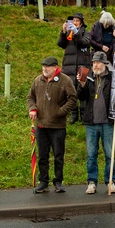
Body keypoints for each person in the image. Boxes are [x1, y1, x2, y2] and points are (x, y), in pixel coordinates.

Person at [28, 56, 78, 194]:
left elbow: (73, 98)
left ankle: (58, 182)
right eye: (43, 66)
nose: (44, 69)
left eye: (48, 66)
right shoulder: (38, 80)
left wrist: (60, 111)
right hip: (41, 126)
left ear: (55, 67)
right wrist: (32, 108)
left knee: (58, 155)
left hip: (58, 127)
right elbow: (30, 97)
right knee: (42, 155)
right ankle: (43, 182)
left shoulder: (65, 80)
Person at [77, 52, 115, 195]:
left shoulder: (112, 77)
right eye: (94, 62)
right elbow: (81, 97)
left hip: (107, 122)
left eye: (98, 62)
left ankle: (110, 181)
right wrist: (82, 85)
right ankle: (91, 182)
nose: (95, 65)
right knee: (91, 154)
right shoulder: (88, 77)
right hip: (91, 122)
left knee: (109, 154)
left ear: (105, 64)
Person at [58, 13, 91, 79]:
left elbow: (84, 43)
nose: (75, 22)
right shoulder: (68, 33)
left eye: (77, 21)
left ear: (81, 23)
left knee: (82, 86)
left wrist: (76, 33)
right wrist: (63, 32)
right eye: (74, 21)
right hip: (69, 66)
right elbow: (61, 44)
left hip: (82, 65)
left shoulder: (86, 33)